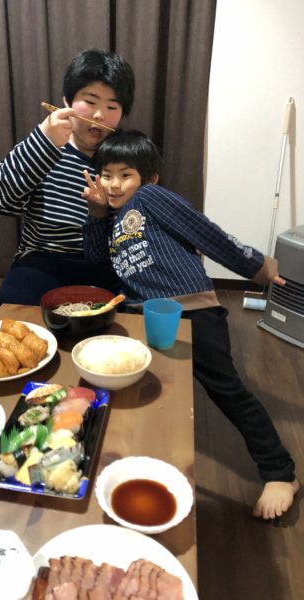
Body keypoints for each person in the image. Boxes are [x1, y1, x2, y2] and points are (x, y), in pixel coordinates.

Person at [82, 129, 299, 520]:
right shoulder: (114, 220)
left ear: (149, 178)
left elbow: (205, 232)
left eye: (125, 175)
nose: (113, 184)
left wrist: (259, 267)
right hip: (145, 315)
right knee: (152, 389)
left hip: (191, 309)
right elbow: (96, 259)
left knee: (226, 389)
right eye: (106, 174)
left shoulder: (150, 198)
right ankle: (137, 459)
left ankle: (281, 472)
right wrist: (98, 214)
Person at [0, 49, 135, 306]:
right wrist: (44, 141)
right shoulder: (44, 147)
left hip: (108, 262)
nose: (100, 115)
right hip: (44, 259)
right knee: (16, 303)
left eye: (112, 106)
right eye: (91, 101)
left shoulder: (126, 157)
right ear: (66, 101)